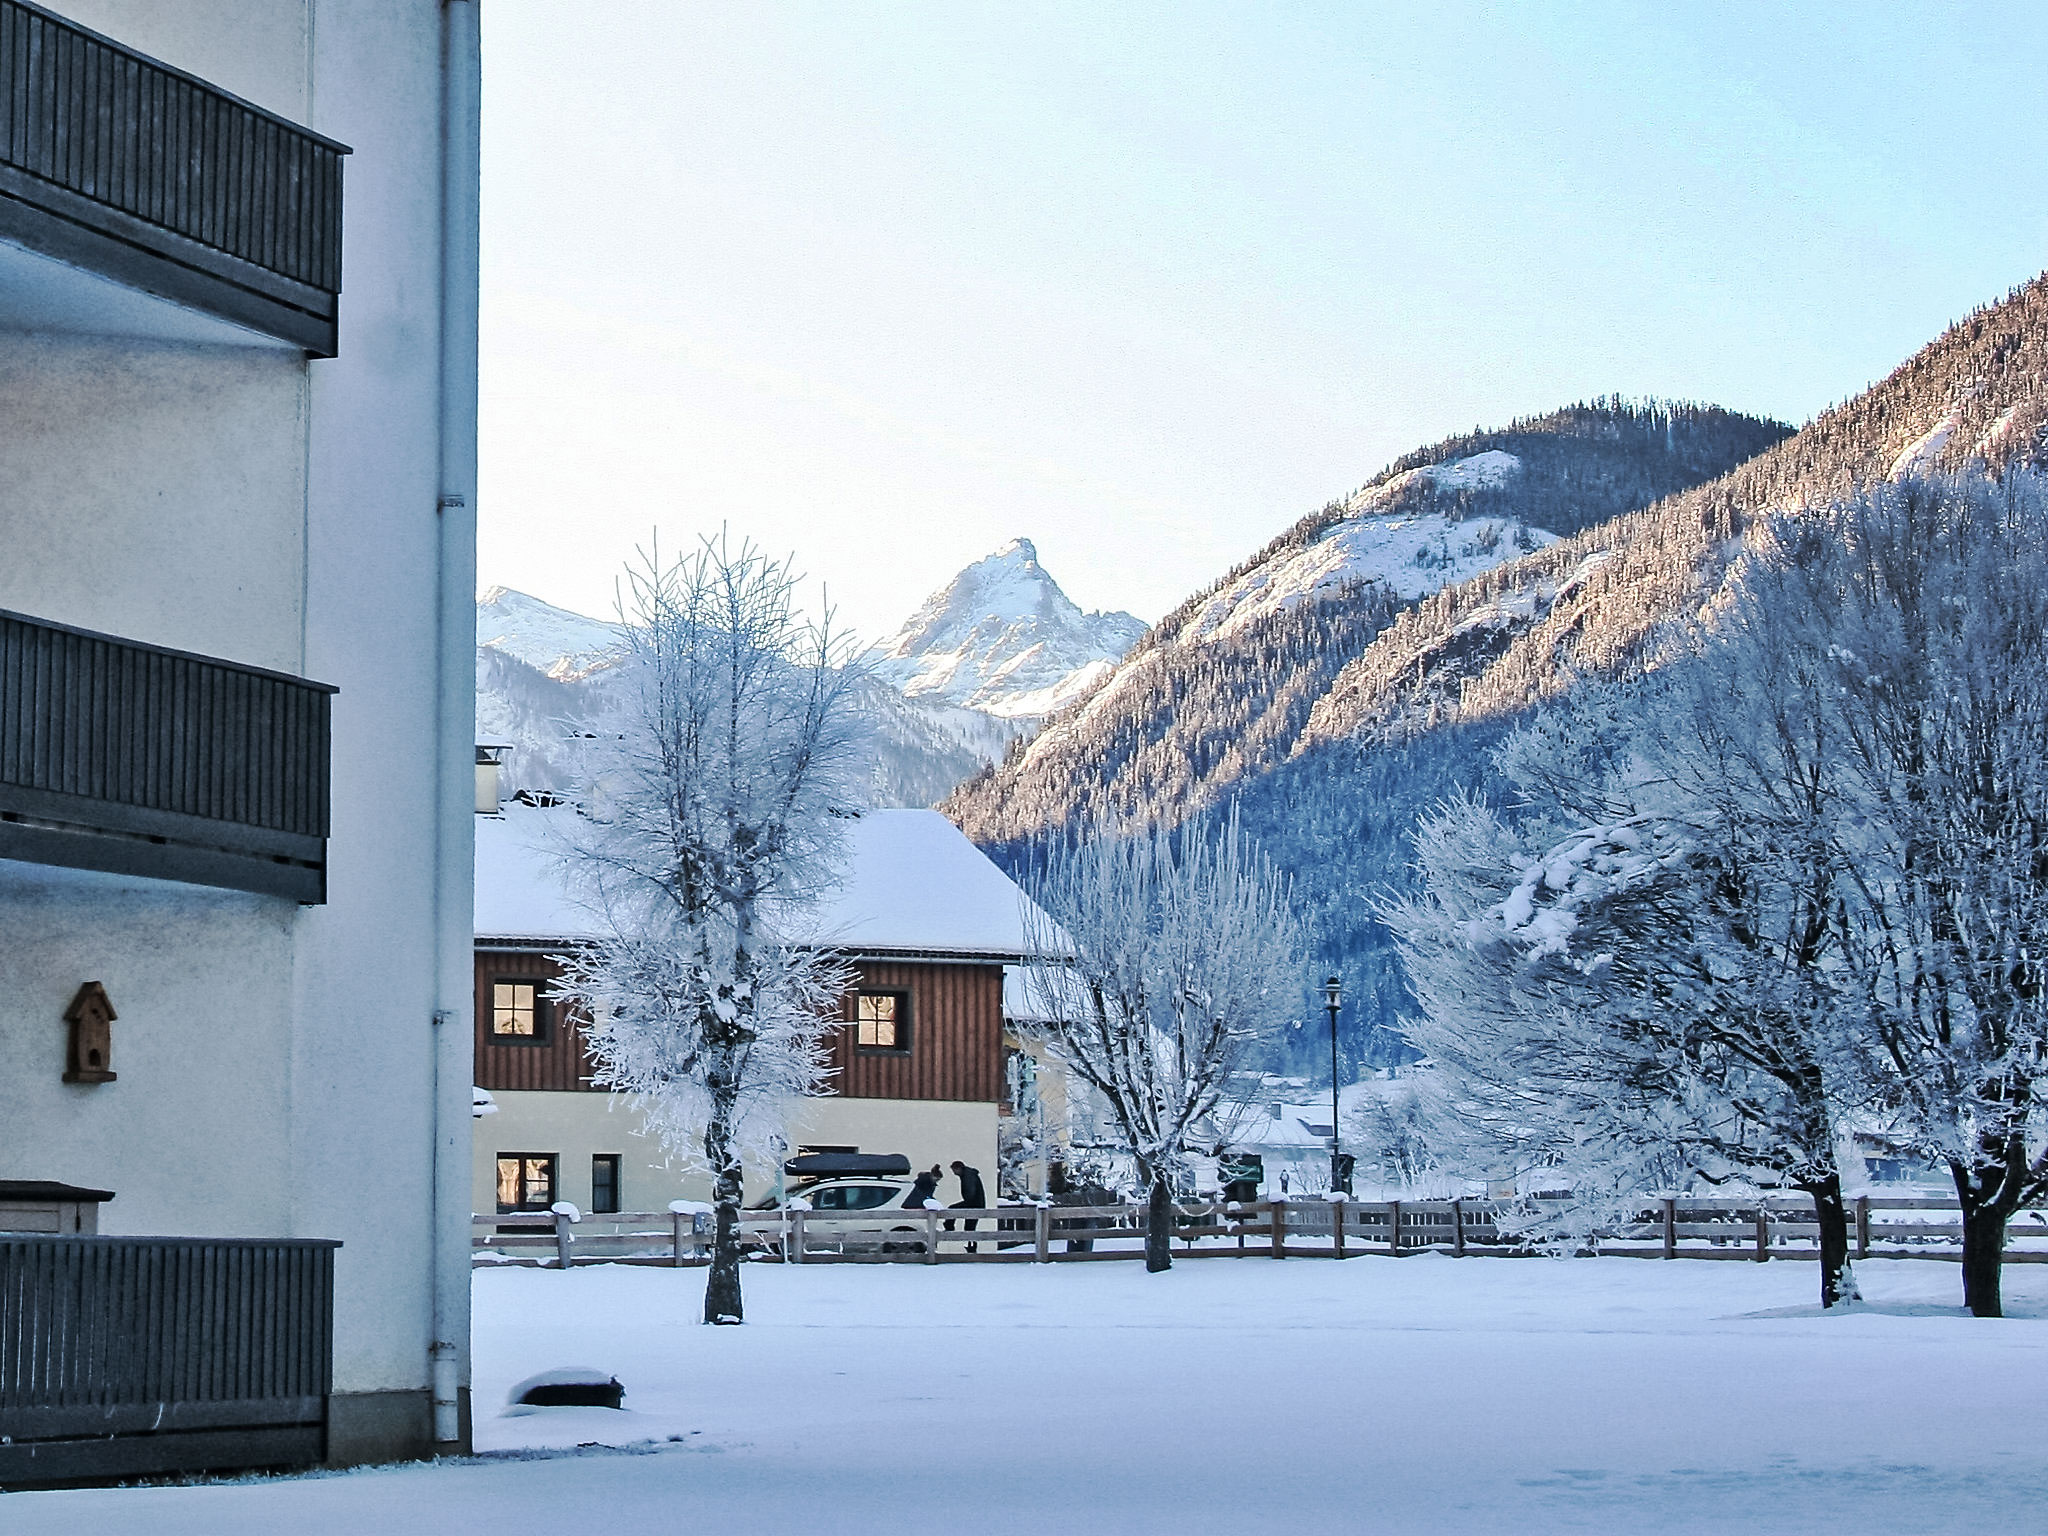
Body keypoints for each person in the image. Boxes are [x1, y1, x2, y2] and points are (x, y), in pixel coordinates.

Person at [950, 1160, 986, 1252]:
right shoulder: (968, 1174)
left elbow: (970, 1192)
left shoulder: (968, 1176)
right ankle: (971, 1246)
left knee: (952, 1209)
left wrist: (968, 1202)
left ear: (958, 1168)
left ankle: (949, 1226)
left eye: (954, 1170)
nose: (953, 1172)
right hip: (975, 1204)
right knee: (970, 1227)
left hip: (974, 1204)